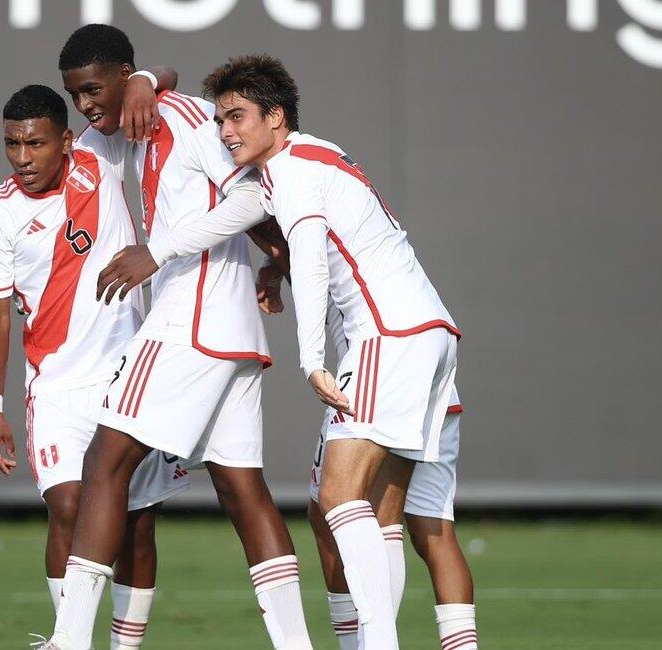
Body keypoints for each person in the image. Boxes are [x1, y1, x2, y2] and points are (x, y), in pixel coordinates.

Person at [98, 54, 461, 649]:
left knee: (338, 497)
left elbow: (312, 259)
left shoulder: (292, 169)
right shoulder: (306, 159)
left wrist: (311, 359)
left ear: (276, 117)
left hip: (387, 335)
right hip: (430, 333)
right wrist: (180, 254)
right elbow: (240, 218)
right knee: (379, 514)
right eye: (220, 119)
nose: (225, 131)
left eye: (237, 116)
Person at [46, 25, 313, 650]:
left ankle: (70, 641)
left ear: (122, 76)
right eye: (75, 94)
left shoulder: (187, 118)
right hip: (229, 333)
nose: (85, 104)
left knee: (105, 463)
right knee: (242, 489)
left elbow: (255, 194)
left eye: (93, 89)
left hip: (189, 321)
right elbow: (238, 201)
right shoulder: (125, 126)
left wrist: (157, 250)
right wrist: (275, 260)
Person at [0, 84, 190, 649]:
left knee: (136, 523)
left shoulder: (100, 153)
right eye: (11, 144)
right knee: (68, 505)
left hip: (128, 376)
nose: (22, 157)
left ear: (66, 141)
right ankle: (71, 641)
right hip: (57, 385)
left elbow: (157, 78)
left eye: (35, 143)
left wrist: (143, 80)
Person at [257, 260, 478, 649]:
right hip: (435, 382)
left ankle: (366, 644)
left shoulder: (318, 233)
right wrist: (273, 267)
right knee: (431, 530)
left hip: (383, 372)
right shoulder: (385, 253)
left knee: (336, 507)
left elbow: (283, 239)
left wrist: (271, 263)